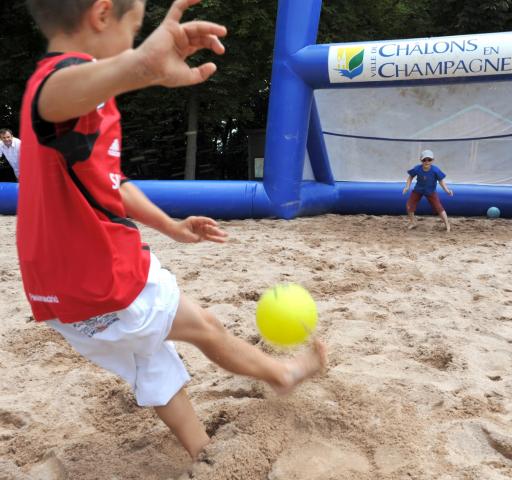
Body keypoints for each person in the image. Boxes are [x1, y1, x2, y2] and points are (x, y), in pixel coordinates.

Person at [18, 0, 327, 460]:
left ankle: (202, 451)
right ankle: (278, 374)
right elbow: (55, 96)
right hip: (104, 280)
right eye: (136, 28)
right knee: (205, 325)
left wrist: (169, 225)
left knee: (150, 359)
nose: (136, 41)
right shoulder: (60, 85)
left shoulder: (70, 97)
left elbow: (111, 184)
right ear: (102, 15)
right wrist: (141, 65)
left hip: (58, 297)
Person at [402, 149, 453, 231]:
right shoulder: (417, 169)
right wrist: (407, 187)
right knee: (409, 205)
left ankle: (447, 224)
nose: (427, 162)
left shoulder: (435, 170)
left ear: (433, 160)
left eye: (429, 160)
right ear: (421, 160)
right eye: (424, 160)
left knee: (438, 207)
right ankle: (413, 222)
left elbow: (441, 181)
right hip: (418, 190)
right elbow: (410, 176)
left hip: (430, 191)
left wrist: (447, 190)